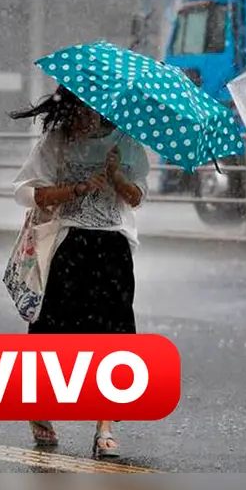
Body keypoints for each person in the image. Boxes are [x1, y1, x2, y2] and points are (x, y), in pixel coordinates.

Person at [9, 85, 149, 459]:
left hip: (113, 246)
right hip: (68, 244)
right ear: (70, 108)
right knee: (52, 328)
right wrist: (75, 189)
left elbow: (137, 196)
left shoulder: (125, 139)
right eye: (81, 109)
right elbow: (28, 192)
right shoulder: (57, 141)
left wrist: (117, 177)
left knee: (115, 334)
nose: (88, 116)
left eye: (94, 108)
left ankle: (105, 423)